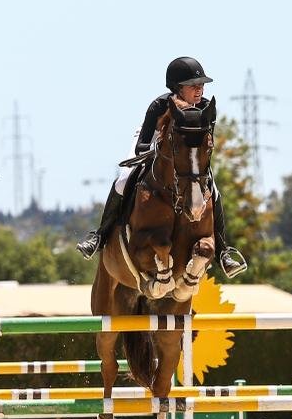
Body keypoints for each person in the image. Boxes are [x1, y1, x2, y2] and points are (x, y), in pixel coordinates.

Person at [76, 57, 247, 278]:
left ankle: (223, 250)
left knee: (213, 189)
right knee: (123, 179)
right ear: (177, 87)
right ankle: (99, 236)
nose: (199, 89)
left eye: (202, 85)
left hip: (187, 157)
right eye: (193, 85)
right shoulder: (159, 106)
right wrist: (164, 152)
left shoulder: (206, 108)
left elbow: (206, 146)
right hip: (155, 144)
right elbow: (142, 146)